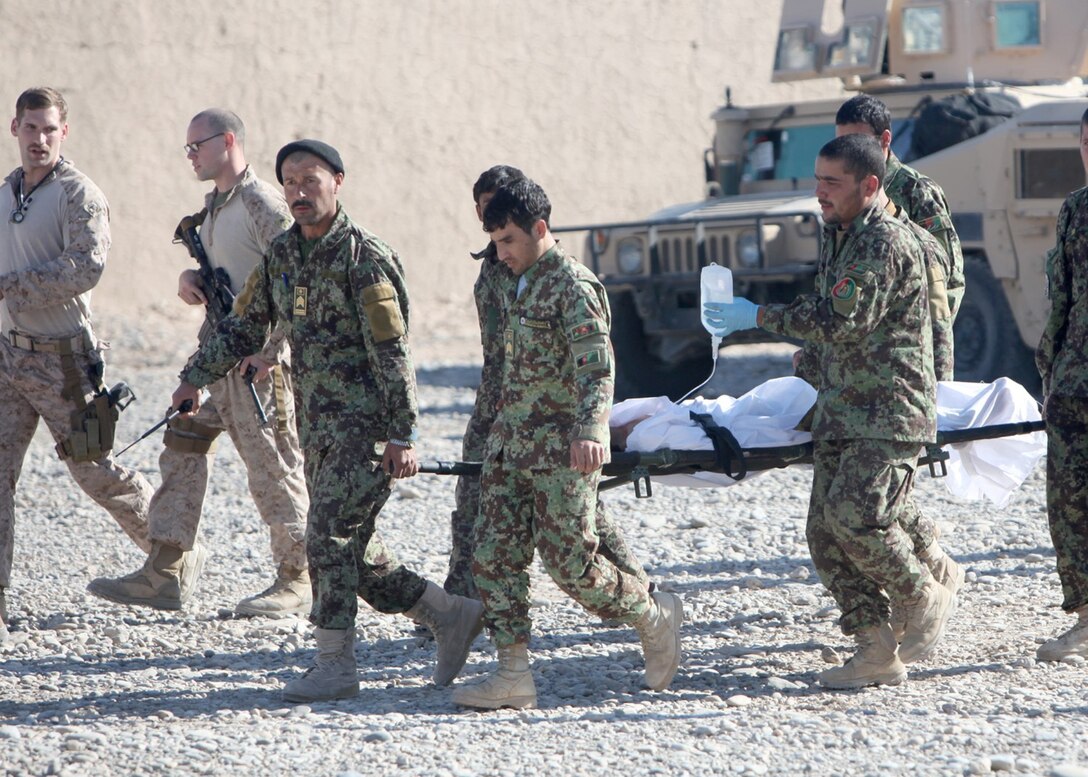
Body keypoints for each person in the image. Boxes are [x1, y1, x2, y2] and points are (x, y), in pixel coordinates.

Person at [168, 139, 483, 702]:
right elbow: (244, 327)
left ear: (338, 181)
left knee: (326, 537)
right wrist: (194, 376)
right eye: (289, 182)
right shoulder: (284, 255)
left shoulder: (365, 258)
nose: (298, 192)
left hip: (367, 429)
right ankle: (447, 612)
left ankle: (335, 663)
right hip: (317, 430)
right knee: (354, 552)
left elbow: (393, 353)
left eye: (310, 180)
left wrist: (403, 433)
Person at [703, 134, 953, 689]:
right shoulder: (841, 234)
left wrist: (757, 315)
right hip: (842, 408)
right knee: (824, 534)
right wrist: (811, 364)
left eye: (832, 183)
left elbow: (842, 320)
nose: (819, 192)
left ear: (869, 184)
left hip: (888, 411)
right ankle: (874, 648)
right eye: (817, 180)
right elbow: (835, 323)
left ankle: (922, 595)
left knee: (856, 519)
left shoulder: (884, 242)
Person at [451, 177, 682, 710]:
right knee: (493, 558)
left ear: (539, 228)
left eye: (509, 240)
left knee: (572, 565)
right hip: (510, 446)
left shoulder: (572, 285)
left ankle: (653, 615)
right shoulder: (514, 283)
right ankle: (513, 673)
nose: (501, 253)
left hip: (562, 451)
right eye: (495, 242)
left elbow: (598, 370)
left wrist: (591, 431)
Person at [87, 110, 311, 616]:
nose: (190, 156)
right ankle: (166, 568)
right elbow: (233, 281)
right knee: (183, 439)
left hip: (257, 367)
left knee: (273, 468)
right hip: (221, 359)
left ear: (227, 141)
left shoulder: (260, 203)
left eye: (197, 146)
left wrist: (269, 353)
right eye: (187, 148)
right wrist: (190, 279)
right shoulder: (214, 210)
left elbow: (295, 283)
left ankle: (299, 576)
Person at [444, 165, 647, 604]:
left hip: (550, 418)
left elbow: (594, 365)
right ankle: (464, 602)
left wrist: (590, 426)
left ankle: (642, 595)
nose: (490, 223)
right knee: (478, 510)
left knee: (573, 531)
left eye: (499, 214)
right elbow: (496, 349)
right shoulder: (495, 268)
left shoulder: (559, 279)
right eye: (484, 211)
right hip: (501, 406)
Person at [0, 87, 154, 642]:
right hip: (9, 356)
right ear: (14, 128)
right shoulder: (7, 192)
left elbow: (86, 267)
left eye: (49, 129)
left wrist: (9, 286)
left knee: (95, 471)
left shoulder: (78, 194)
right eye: (30, 128)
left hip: (62, 360)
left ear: (63, 132)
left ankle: (172, 550)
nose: (39, 139)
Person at [832, 95, 965, 636]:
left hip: (908, 354)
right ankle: (932, 563)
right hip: (859, 361)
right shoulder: (841, 192)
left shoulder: (914, 192)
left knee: (883, 479)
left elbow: (944, 276)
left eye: (857, 139)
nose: (846, 148)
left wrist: (925, 354)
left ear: (884, 142)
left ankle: (928, 572)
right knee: (873, 483)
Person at [1034, 106, 1088, 661]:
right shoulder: (1075, 208)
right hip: (1074, 384)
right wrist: (1049, 369)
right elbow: (1062, 300)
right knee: (1069, 504)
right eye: (1087, 144)